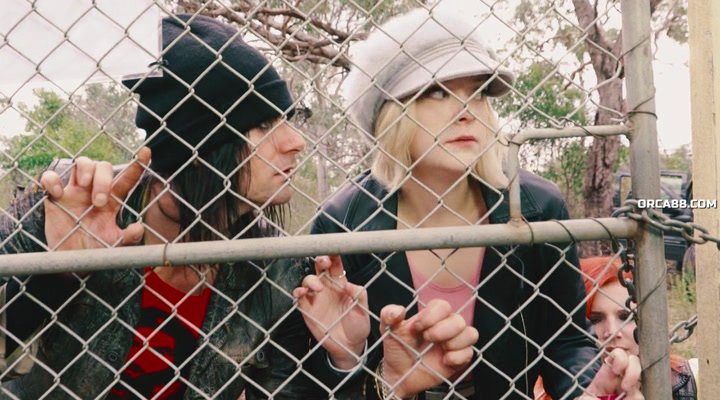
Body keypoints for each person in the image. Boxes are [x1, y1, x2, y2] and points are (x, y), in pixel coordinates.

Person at [0, 14, 371, 399]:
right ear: (199, 148)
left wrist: (342, 360)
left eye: (287, 120)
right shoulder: (66, 205)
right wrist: (56, 275)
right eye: (263, 124)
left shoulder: (276, 267)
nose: (296, 142)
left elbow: (283, 390)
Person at [308, 8, 641, 400]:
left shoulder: (537, 207)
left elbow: (565, 340)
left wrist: (588, 388)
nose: (466, 111)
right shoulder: (341, 224)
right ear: (390, 114)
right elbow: (311, 377)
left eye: (478, 93)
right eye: (438, 91)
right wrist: (351, 362)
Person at [535, 256, 698, 399]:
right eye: (595, 319)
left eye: (625, 317)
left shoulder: (692, 381)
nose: (612, 332)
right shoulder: (539, 393)